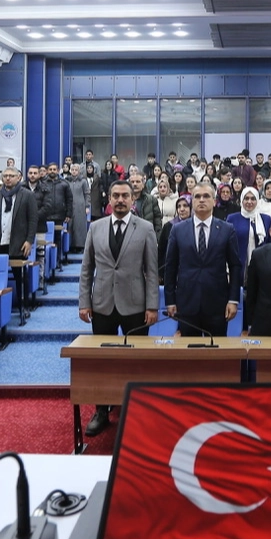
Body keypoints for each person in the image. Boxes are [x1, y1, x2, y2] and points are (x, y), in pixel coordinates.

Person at [78, 179, 159, 436]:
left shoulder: (145, 228)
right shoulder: (96, 227)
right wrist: (84, 302)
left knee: (137, 360)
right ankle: (102, 409)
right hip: (102, 303)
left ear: (133, 200)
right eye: (116, 196)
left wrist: (152, 306)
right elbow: (86, 269)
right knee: (103, 360)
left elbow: (152, 271)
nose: (121, 200)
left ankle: (136, 407)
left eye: (125, 195)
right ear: (109, 199)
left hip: (135, 305)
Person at [163, 181, 242, 339]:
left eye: (206, 196)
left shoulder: (227, 229)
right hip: (186, 303)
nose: (201, 200)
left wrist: (233, 300)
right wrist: (170, 301)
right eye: (197, 196)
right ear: (192, 201)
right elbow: (170, 267)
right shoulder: (177, 230)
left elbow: (235, 266)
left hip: (217, 303)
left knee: (217, 355)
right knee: (189, 357)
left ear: (214, 200)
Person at [0, 167, 39, 262]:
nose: (8, 178)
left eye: (11, 176)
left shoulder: (28, 195)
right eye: (5, 176)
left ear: (18, 177)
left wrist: (29, 241)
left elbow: (33, 220)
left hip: (19, 243)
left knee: (18, 275)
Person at [228, 187, 271, 273]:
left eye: (253, 199)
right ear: (241, 200)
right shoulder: (232, 218)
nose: (249, 202)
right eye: (246, 198)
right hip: (238, 265)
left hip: (262, 265)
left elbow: (270, 243)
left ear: (257, 201)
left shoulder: (266, 219)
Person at [66, 162, 91, 252]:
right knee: (70, 226)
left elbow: (87, 193)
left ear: (79, 171)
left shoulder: (83, 181)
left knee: (79, 226)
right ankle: (70, 246)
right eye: (72, 170)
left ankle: (80, 246)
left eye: (76, 170)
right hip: (69, 206)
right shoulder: (66, 181)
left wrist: (87, 206)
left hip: (80, 205)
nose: (74, 171)